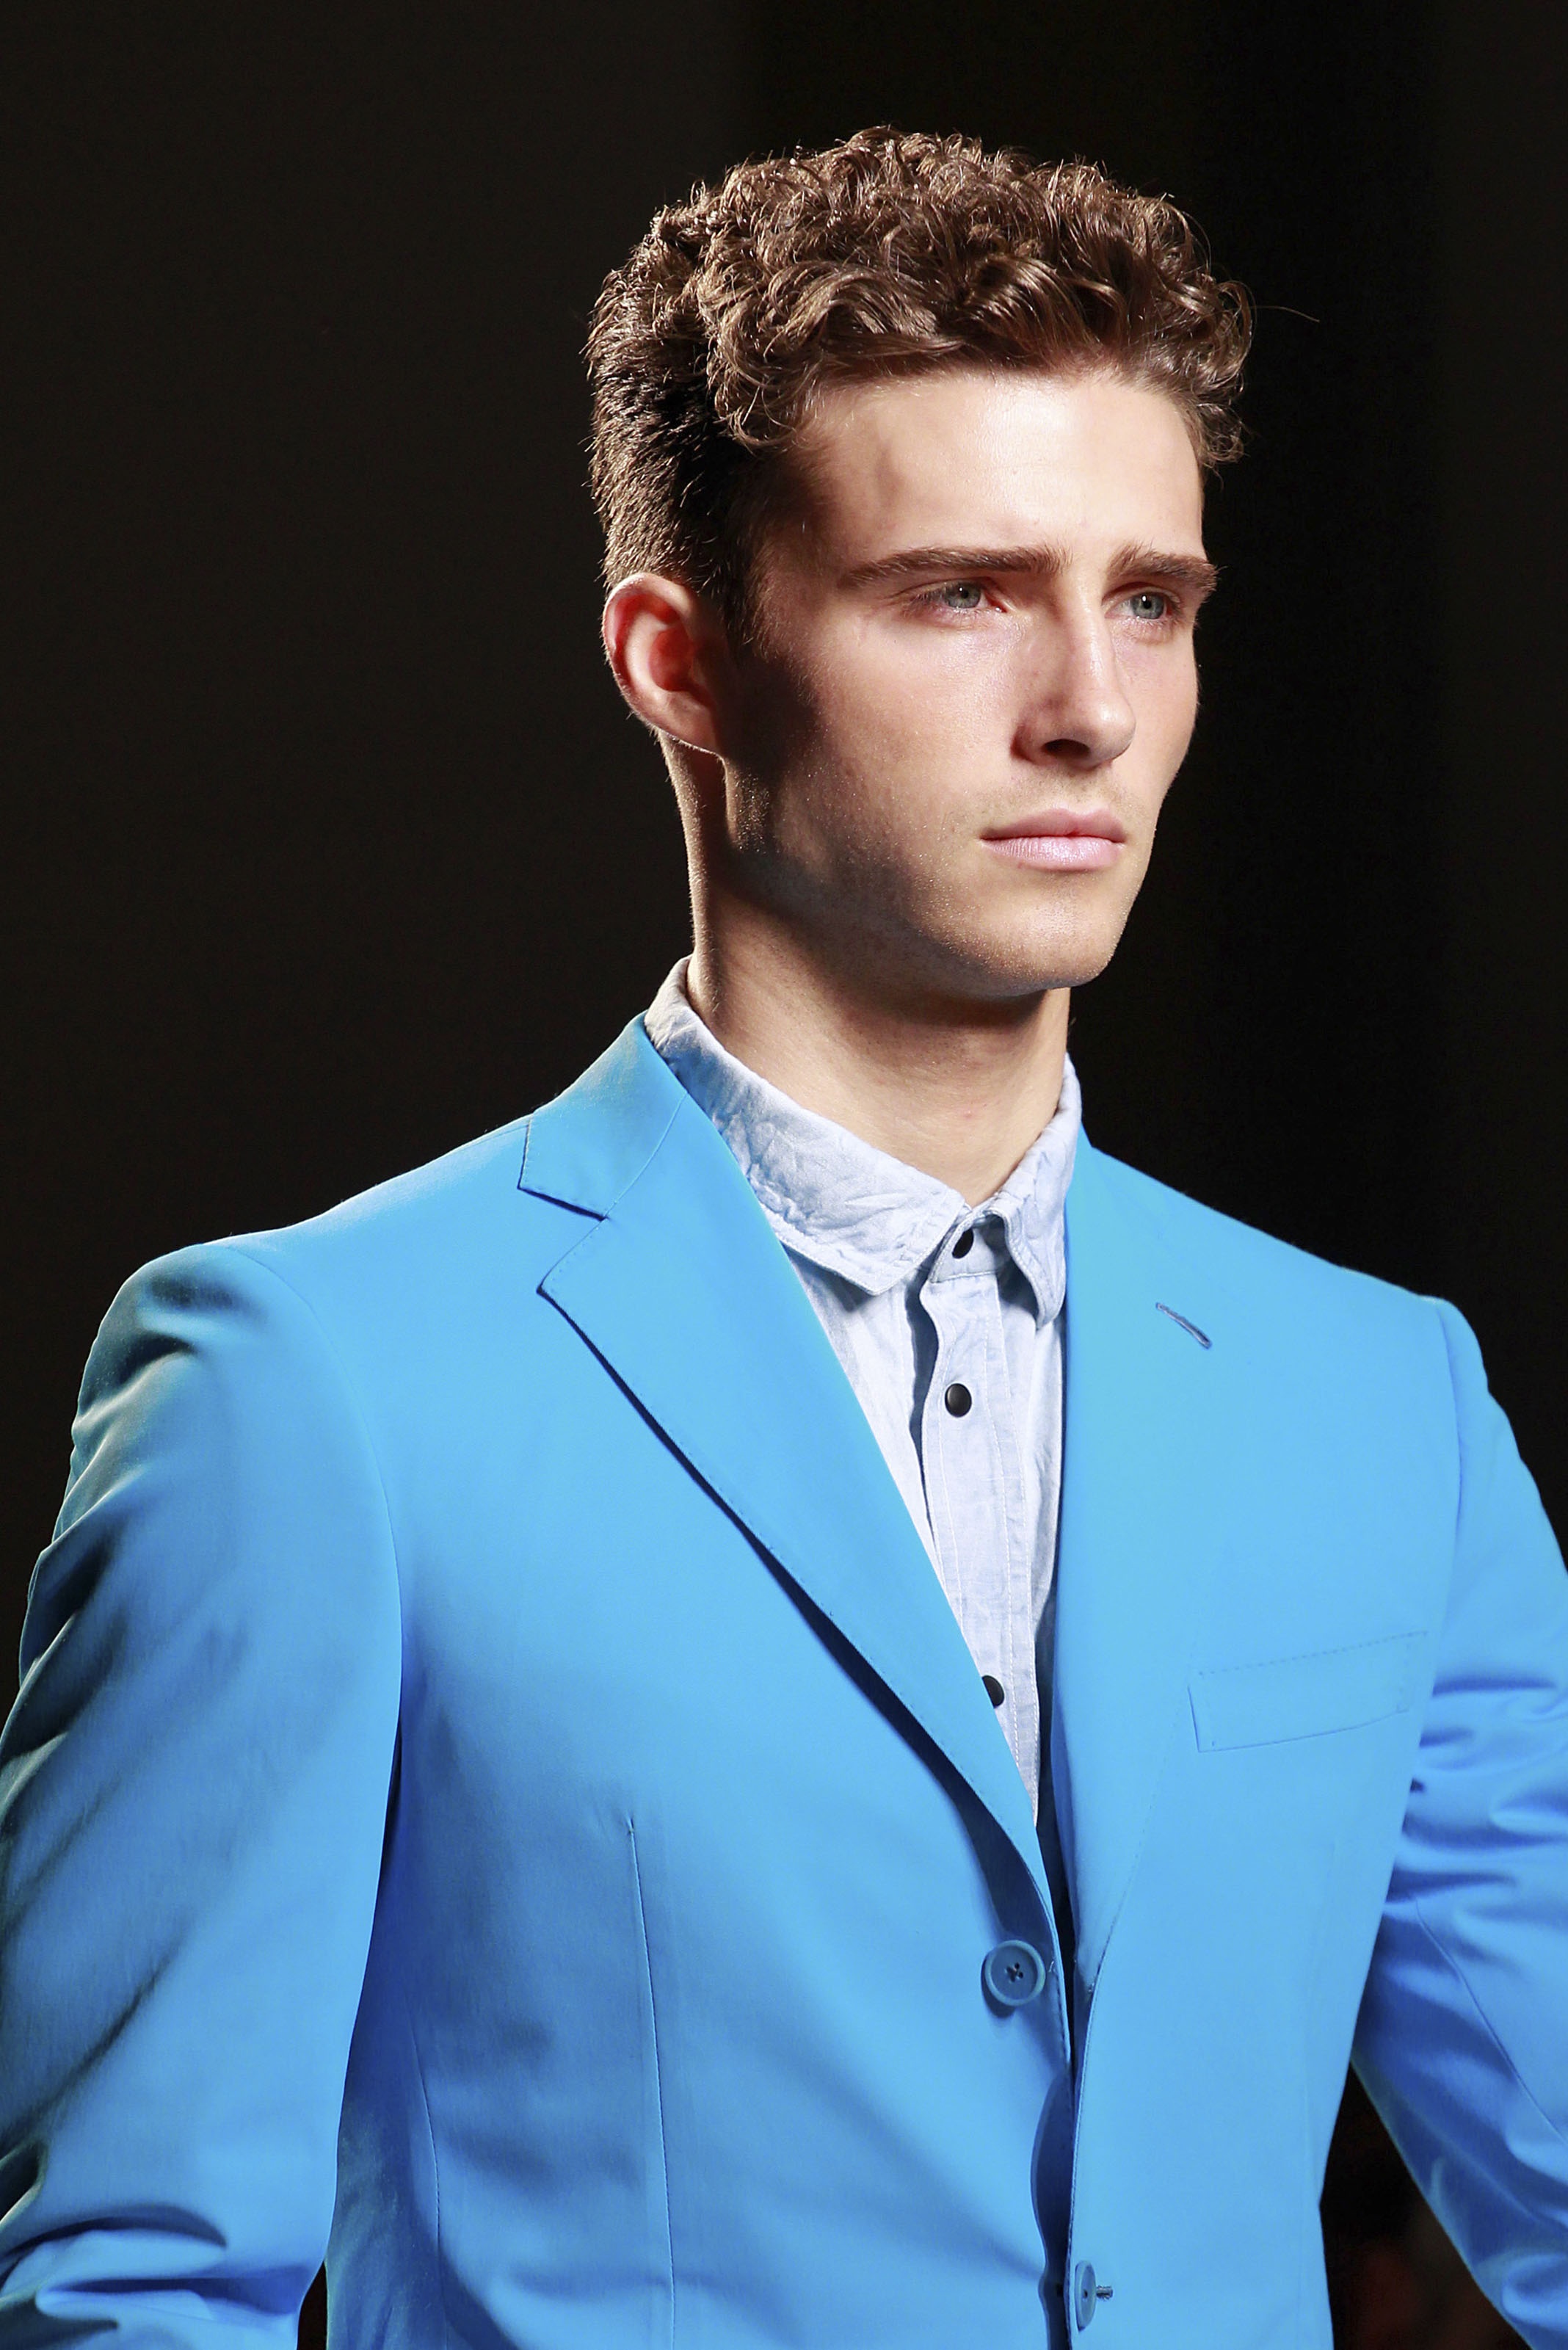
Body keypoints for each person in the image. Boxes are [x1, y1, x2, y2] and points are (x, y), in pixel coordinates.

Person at [1, 128, 1564, 2350]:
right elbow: (130, 2289)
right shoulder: (309, 1390)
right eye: (961, 592)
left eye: (1150, 599)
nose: (1092, 709)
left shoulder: (1381, 1402)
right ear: (682, 662)